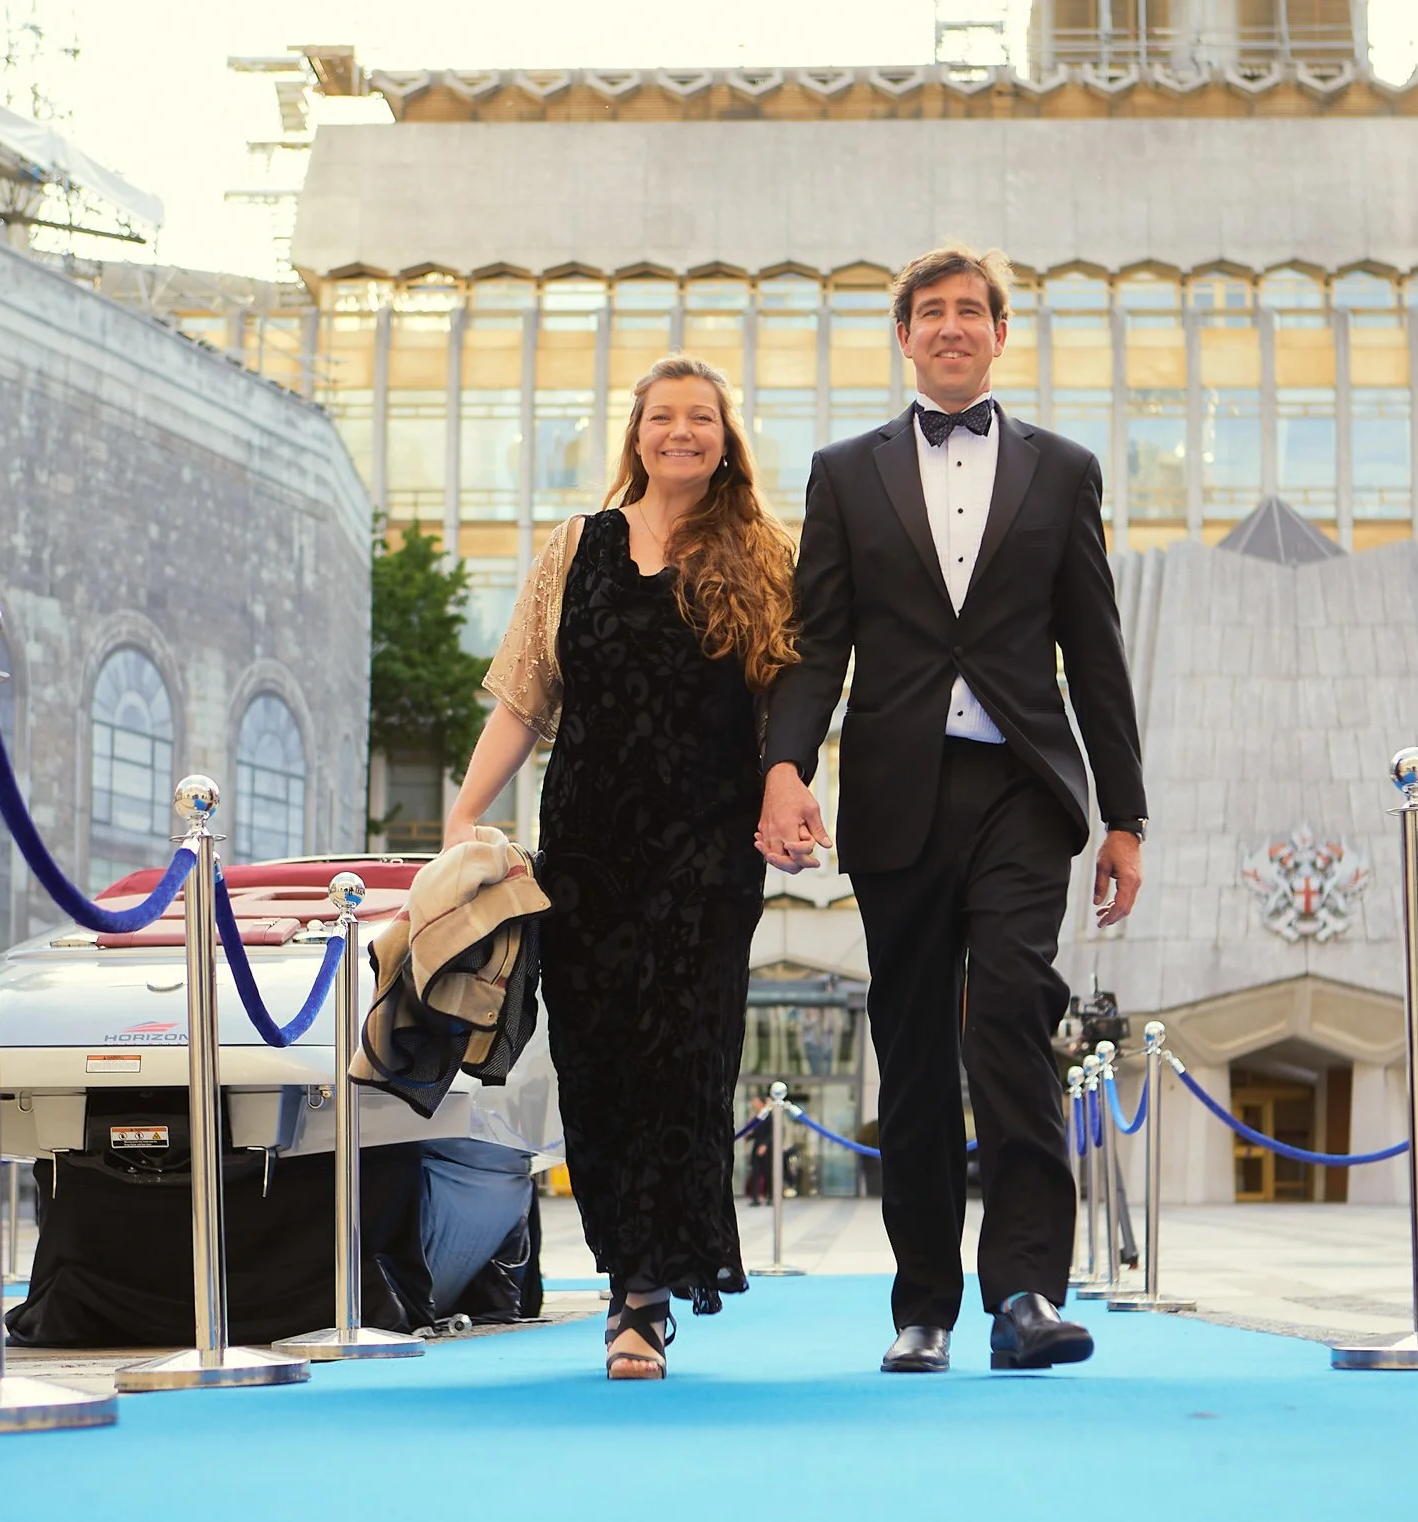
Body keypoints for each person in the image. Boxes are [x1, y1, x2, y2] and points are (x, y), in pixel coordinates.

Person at [757, 246, 1146, 1375]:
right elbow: (817, 639)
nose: (951, 325)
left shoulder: (1064, 471)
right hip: (896, 789)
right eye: (930, 312)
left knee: (1013, 1014)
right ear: (905, 335)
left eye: (970, 309)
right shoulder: (844, 472)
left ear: (998, 332)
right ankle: (920, 1305)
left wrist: (1125, 814)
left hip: (1023, 786)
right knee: (915, 1048)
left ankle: (1024, 1289)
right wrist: (787, 766)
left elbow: (1095, 650)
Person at [448, 355, 797, 1380]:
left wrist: (790, 792)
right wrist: (466, 811)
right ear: (635, 433)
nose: (680, 432)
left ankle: (644, 1294)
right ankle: (622, 1272)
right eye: (662, 417)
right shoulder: (574, 547)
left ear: (726, 439)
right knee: (597, 1062)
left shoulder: (765, 554)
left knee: (682, 1059)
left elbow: (789, 705)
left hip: (707, 853)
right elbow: (522, 697)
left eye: (701, 418)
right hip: (589, 847)